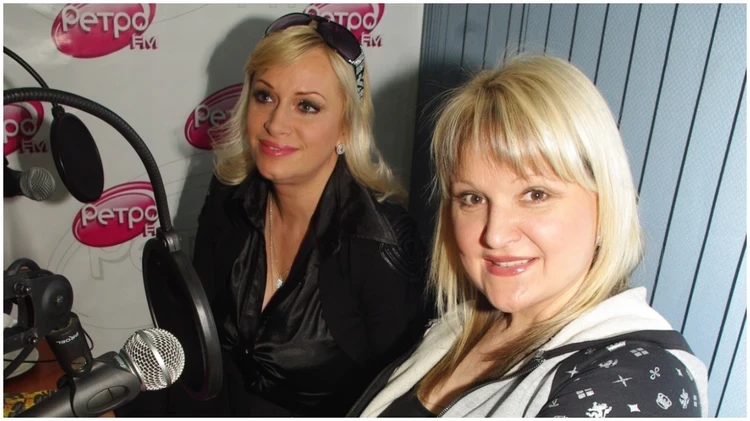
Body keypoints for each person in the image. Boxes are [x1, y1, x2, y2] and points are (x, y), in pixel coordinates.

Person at [349, 55, 708, 417]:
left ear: (606, 205)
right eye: (472, 198)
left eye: (535, 194)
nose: (495, 235)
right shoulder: (459, 327)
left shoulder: (639, 379)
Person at [117, 12, 430, 417]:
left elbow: (400, 403)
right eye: (265, 96)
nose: (276, 123)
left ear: (345, 127)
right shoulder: (230, 195)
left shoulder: (382, 243)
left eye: (307, 106)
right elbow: (198, 349)